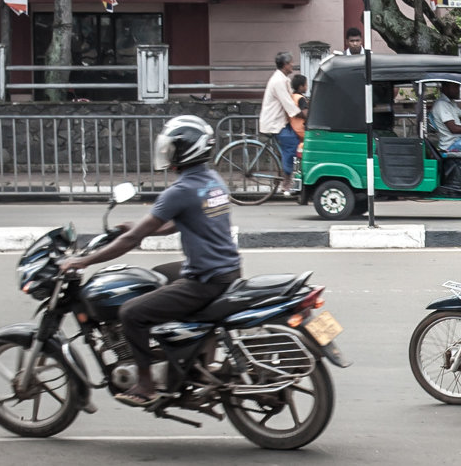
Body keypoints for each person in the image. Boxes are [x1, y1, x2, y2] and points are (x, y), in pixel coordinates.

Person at [59, 116, 240, 407]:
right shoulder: (212, 181)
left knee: (132, 312)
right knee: (158, 276)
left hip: (205, 280)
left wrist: (83, 261)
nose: (167, 153)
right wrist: (137, 225)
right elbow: (177, 224)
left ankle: (145, 385)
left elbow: (130, 243)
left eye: (172, 148)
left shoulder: (179, 191)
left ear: (186, 151)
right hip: (226, 270)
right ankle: (186, 354)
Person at [258, 52, 302, 193]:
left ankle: (290, 175)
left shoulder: (282, 79)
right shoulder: (278, 81)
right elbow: (288, 104)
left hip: (281, 121)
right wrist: (304, 115)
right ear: (285, 65)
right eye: (291, 63)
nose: (292, 66)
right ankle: (287, 181)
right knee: (292, 145)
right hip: (275, 123)